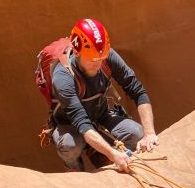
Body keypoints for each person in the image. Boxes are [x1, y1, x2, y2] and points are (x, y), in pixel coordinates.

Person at [50, 18, 159, 171]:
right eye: (93, 59)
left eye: (101, 58)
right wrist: (113, 154)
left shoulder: (106, 56)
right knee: (69, 145)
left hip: (100, 115)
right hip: (70, 125)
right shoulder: (63, 76)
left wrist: (149, 133)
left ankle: (102, 153)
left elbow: (137, 90)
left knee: (137, 133)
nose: (99, 64)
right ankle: (75, 170)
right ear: (77, 52)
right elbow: (82, 123)